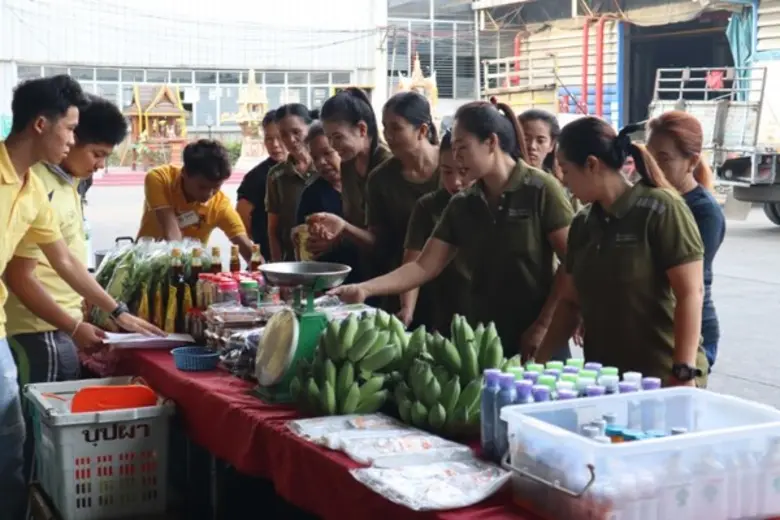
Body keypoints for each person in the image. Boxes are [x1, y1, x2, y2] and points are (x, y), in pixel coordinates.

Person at [0, 75, 161, 520]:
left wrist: (116, 311)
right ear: (40, 125)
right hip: (30, 328)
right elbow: (23, 273)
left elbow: (67, 262)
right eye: (71, 130)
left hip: (12, 333)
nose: (73, 138)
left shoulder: (35, 189)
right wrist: (73, 325)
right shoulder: (35, 182)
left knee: (12, 443)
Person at [329, 100, 573, 358]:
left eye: (462, 148)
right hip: (483, 339)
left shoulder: (540, 189)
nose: (456, 158)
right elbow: (423, 266)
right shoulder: (463, 203)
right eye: (454, 150)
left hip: (539, 339)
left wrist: (544, 325)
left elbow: (573, 261)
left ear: (491, 142)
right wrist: (366, 289)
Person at [534, 117, 709, 387]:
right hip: (607, 378)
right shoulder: (584, 223)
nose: (563, 181)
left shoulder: (660, 209)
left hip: (662, 377)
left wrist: (683, 371)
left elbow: (691, 293)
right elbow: (569, 302)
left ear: (591, 164)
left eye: (566, 171)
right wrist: (539, 366)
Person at [310, 92, 440, 317]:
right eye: (385, 128)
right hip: (394, 281)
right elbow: (401, 250)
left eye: (396, 128)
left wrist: (344, 228)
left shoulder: (449, 172)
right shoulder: (378, 177)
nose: (388, 136)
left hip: (441, 284)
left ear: (422, 131)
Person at [646, 110, 725, 370]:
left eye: (664, 159)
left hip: (693, 332)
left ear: (691, 162)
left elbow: (687, 286)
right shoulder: (650, 199)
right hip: (654, 325)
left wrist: (684, 367)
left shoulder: (704, 212)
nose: (652, 167)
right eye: (649, 157)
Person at [137, 139, 256, 262]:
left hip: (192, 268)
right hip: (146, 262)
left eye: (216, 187)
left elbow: (246, 246)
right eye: (202, 187)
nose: (209, 194)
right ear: (184, 173)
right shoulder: (159, 179)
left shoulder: (220, 206)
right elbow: (171, 231)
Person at [400, 131, 473, 330]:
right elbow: (414, 264)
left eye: (464, 171)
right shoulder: (427, 206)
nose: (456, 182)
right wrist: (407, 310)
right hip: (444, 312)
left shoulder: (492, 203)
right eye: (447, 172)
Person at [294, 123, 360, 282]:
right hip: (329, 279)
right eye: (315, 158)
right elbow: (301, 236)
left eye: (327, 153)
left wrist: (337, 240)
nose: (322, 162)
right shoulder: (312, 193)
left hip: (369, 275)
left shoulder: (365, 186)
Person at [265, 104, 318, 261]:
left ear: (310, 128)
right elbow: (273, 230)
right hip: (292, 261)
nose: (291, 140)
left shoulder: (326, 168)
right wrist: (277, 266)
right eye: (284, 135)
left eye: (296, 132)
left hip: (328, 258)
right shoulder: (276, 175)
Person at [236, 110, 287, 260]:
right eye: (269, 139)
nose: (275, 145)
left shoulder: (309, 169)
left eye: (280, 138)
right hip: (267, 256)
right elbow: (241, 219)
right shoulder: (256, 177)